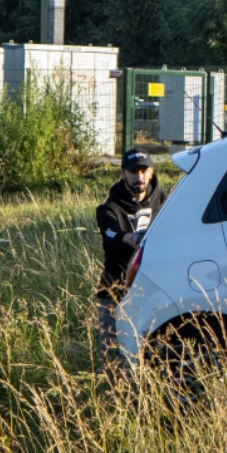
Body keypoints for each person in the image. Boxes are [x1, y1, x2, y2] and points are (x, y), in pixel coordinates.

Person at [95, 148, 168, 373]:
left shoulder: (165, 201)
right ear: (122, 173)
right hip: (115, 291)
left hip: (156, 289)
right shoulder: (109, 208)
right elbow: (110, 233)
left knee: (157, 353)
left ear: (152, 172)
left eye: (144, 170)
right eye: (133, 171)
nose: (139, 177)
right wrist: (129, 238)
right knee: (110, 358)